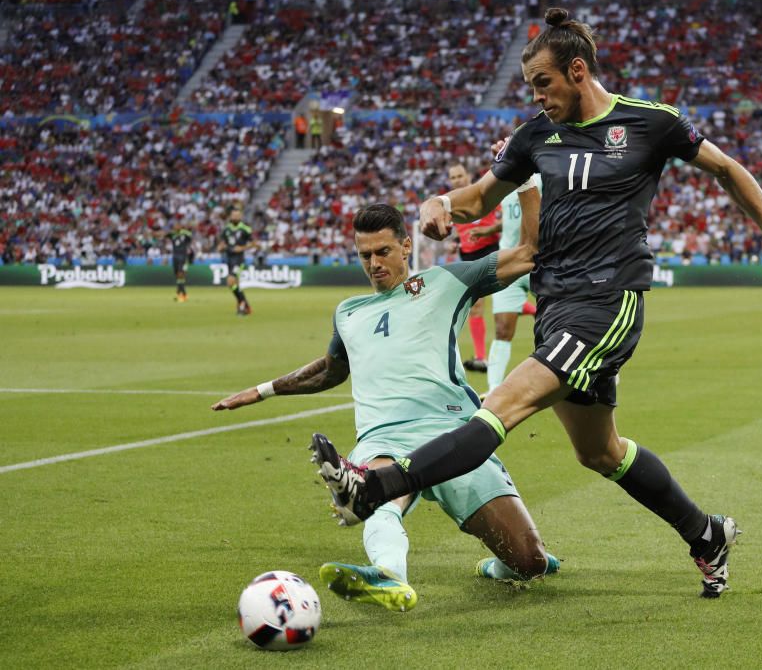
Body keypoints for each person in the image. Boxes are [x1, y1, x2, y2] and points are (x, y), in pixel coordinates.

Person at [317, 8, 762, 599]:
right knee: (600, 452)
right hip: (556, 306)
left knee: (500, 406)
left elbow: (727, 169)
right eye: (530, 87)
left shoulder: (650, 123)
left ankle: (376, 486)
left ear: (578, 71)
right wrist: (440, 201)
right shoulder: (533, 137)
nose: (537, 97)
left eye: (543, 83)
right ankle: (707, 534)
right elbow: (478, 198)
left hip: (608, 302)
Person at [212, 200, 558, 613]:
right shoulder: (348, 313)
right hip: (384, 439)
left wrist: (525, 181)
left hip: (454, 436)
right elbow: (330, 370)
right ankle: (389, 575)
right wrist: (264, 390)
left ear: (406, 245)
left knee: (530, 562)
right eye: (364, 255)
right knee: (370, 494)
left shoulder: (447, 282)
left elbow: (527, 253)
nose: (373, 263)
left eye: (383, 252)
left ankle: (501, 565)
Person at [485, 173, 540, 396]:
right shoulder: (505, 182)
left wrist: (525, 244)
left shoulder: (541, 178)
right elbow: (511, 217)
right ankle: (493, 390)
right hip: (510, 261)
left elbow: (537, 212)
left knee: (558, 322)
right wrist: (487, 231)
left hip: (540, 261)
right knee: (502, 329)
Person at [448, 162, 502, 373]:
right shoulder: (451, 202)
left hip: (491, 249)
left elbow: (502, 216)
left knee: (504, 299)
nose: (457, 180)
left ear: (467, 175)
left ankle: (534, 310)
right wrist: (455, 243)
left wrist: (488, 231)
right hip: (468, 257)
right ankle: (481, 357)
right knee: (477, 307)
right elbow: (456, 232)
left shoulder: (483, 193)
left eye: (459, 176)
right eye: (453, 178)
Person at [218, 207, 253, 315]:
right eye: (234, 215)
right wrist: (220, 247)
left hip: (239, 259)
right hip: (229, 258)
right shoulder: (226, 229)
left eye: (237, 216)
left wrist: (242, 248)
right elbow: (223, 242)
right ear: (230, 216)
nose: (235, 217)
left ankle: (243, 305)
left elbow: (255, 243)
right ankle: (244, 306)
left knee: (230, 281)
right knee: (234, 285)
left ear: (241, 217)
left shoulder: (246, 229)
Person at [168, 219, 193, 303]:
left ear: (180, 226)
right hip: (175, 256)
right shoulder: (173, 234)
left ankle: (182, 295)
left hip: (183, 256)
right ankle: (180, 294)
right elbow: (164, 235)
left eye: (178, 225)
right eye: (175, 225)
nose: (176, 227)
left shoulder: (185, 233)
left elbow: (190, 236)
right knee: (177, 276)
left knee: (180, 274)